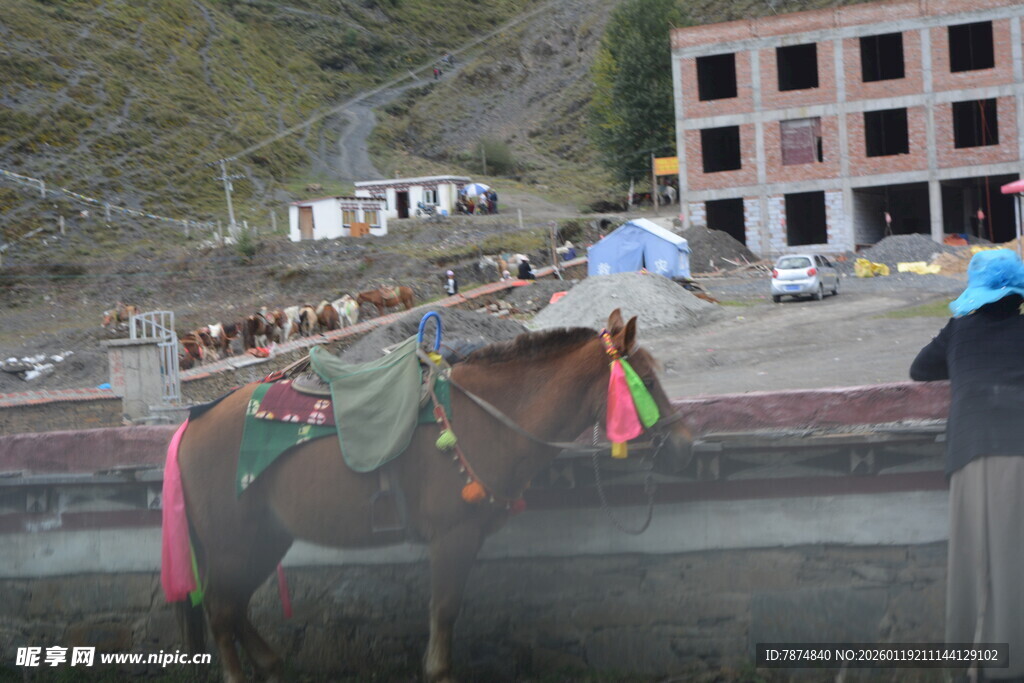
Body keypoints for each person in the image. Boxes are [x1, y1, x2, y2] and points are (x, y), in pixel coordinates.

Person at [910, 248, 1024, 681]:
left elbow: (920, 369)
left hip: (969, 450)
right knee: (1016, 560)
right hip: (1019, 448)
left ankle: (966, 665)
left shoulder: (959, 331)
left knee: (971, 561)